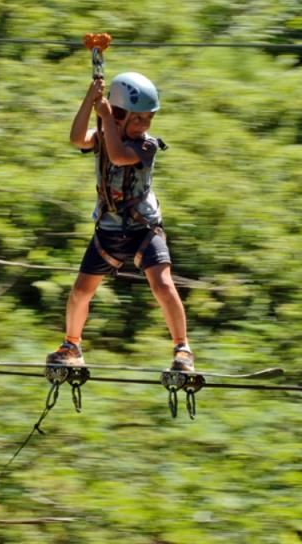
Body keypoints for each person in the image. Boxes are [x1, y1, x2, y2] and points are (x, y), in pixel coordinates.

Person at [46, 72, 194, 371]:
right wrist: (91, 99)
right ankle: (72, 345)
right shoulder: (103, 134)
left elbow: (117, 156)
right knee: (80, 290)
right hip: (109, 230)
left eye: (148, 119)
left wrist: (106, 119)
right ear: (119, 116)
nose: (144, 126)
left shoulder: (147, 146)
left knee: (163, 284)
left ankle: (182, 349)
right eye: (137, 119)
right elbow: (76, 137)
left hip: (143, 229)